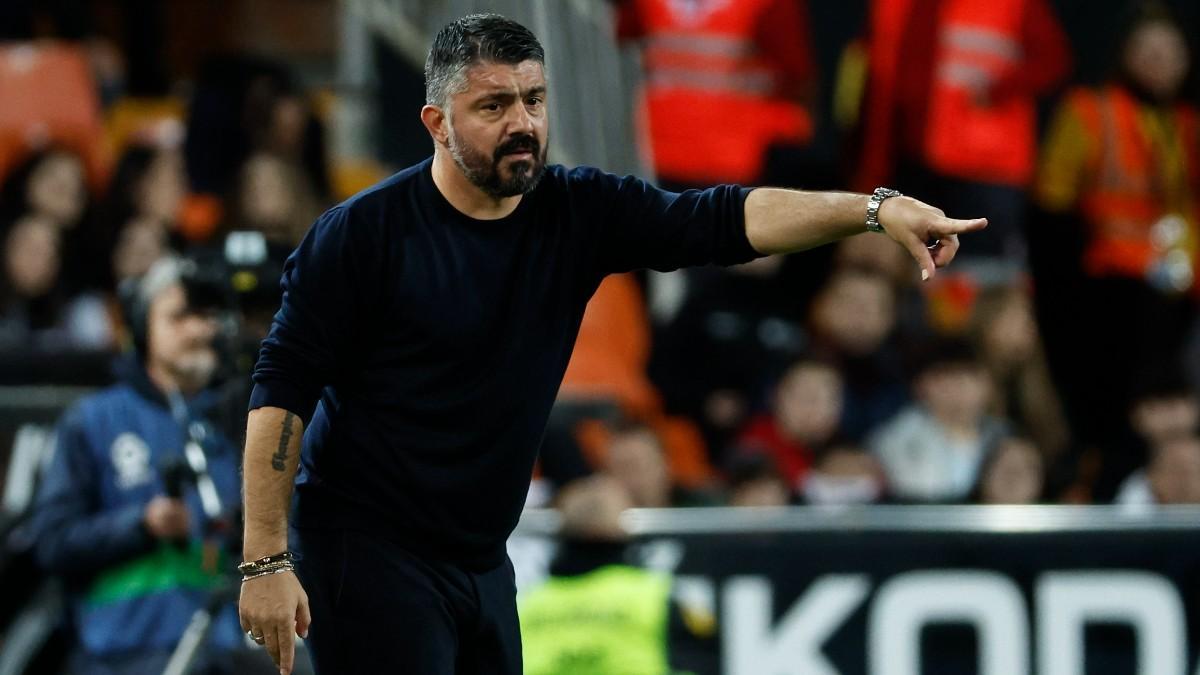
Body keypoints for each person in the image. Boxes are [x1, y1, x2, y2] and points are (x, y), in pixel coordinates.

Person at [237, 13, 986, 674]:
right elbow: (281, 391)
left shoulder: (575, 210)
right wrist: (265, 557)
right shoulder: (363, 235)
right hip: (367, 547)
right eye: (493, 105)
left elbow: (724, 218)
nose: (522, 122)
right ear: (436, 122)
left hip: (479, 555)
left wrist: (874, 209)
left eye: (533, 100)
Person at [30, 256, 244, 674]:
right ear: (143, 327)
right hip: (123, 658)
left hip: (223, 654)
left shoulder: (233, 423)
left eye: (207, 316)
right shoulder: (93, 421)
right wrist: (141, 526)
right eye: (180, 316)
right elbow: (51, 541)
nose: (199, 329)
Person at [1033, 4, 1199, 484]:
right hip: (1107, 292)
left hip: (1180, 293)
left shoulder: (1188, 123)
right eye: (1147, 51)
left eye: (1170, 52)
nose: (1159, 62)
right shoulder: (1089, 110)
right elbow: (1051, 204)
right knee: (1111, 417)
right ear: (1125, 55)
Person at [870, 339, 1007, 502]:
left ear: (987, 383)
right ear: (920, 385)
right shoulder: (893, 441)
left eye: (969, 374)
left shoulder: (1004, 436)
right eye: (945, 376)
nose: (959, 385)